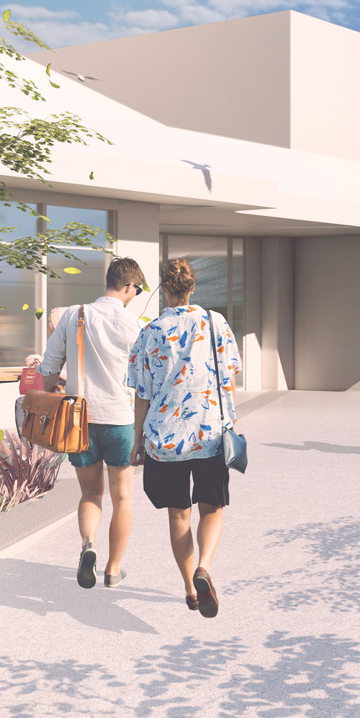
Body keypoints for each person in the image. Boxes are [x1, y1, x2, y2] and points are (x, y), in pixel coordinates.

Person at [128, 257, 240, 618]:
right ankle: (204, 566)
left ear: (165, 288)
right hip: (207, 432)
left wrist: (137, 440)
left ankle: (191, 590)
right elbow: (230, 377)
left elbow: (141, 393)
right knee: (212, 508)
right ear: (193, 287)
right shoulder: (215, 322)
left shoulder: (151, 331)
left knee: (179, 516)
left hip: (165, 438)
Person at [41, 258, 149, 589]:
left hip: (79, 419)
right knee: (123, 497)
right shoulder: (134, 326)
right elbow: (146, 379)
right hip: (119, 419)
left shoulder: (73, 314)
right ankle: (114, 569)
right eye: (138, 289)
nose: (136, 295)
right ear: (129, 286)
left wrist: (53, 389)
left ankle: (88, 545)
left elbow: (48, 370)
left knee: (90, 492)